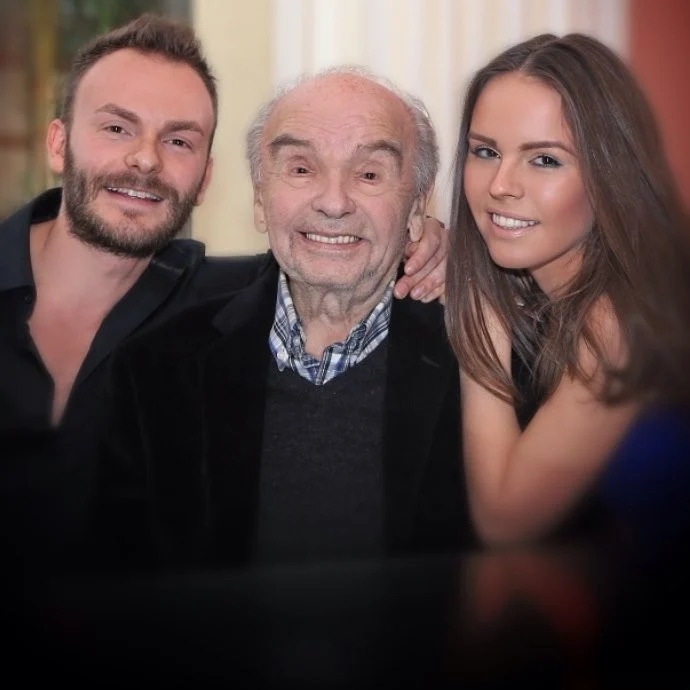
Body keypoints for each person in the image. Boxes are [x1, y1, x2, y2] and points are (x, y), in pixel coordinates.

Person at [0, 14, 448, 569]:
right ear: (57, 143)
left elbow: (327, 251)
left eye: (178, 140)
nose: (146, 158)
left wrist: (439, 244)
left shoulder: (213, 302)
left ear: (206, 179)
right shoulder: (186, 342)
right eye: (116, 128)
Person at [95, 65, 475, 570]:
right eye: (300, 169)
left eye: (369, 174)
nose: (334, 203)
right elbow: (119, 582)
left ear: (416, 209)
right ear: (259, 200)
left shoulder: (483, 367)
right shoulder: (156, 370)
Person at [444, 33, 690, 550]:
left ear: (609, 173)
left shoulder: (617, 318)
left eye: (545, 160)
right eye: (485, 151)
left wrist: (477, 320)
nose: (501, 185)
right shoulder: (545, 299)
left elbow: (505, 521)